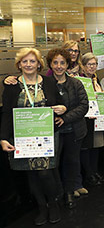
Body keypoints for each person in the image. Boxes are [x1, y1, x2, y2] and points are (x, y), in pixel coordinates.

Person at [0, 47, 63, 225]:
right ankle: (42, 207)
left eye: (32, 61)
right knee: (31, 175)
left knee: (44, 172)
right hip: (22, 136)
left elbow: (60, 103)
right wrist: (3, 138)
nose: (28, 64)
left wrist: (63, 109)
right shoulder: (12, 85)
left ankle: (53, 203)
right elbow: (6, 113)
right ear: (19, 64)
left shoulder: (49, 82)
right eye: (24, 61)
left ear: (38, 64)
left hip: (46, 135)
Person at [46, 47, 89, 208]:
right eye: (55, 63)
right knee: (54, 163)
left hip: (74, 130)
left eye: (62, 63)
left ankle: (69, 192)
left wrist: (65, 117)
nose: (59, 66)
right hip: (53, 132)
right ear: (50, 64)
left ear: (67, 64)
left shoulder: (76, 83)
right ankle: (58, 193)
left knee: (72, 161)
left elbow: (84, 106)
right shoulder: (45, 83)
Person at [79, 53, 104, 190]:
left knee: (96, 145)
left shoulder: (96, 79)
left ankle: (94, 172)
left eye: (94, 64)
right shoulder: (80, 80)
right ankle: (88, 174)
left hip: (97, 117)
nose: (92, 67)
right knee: (86, 146)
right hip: (85, 118)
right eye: (89, 64)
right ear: (83, 66)